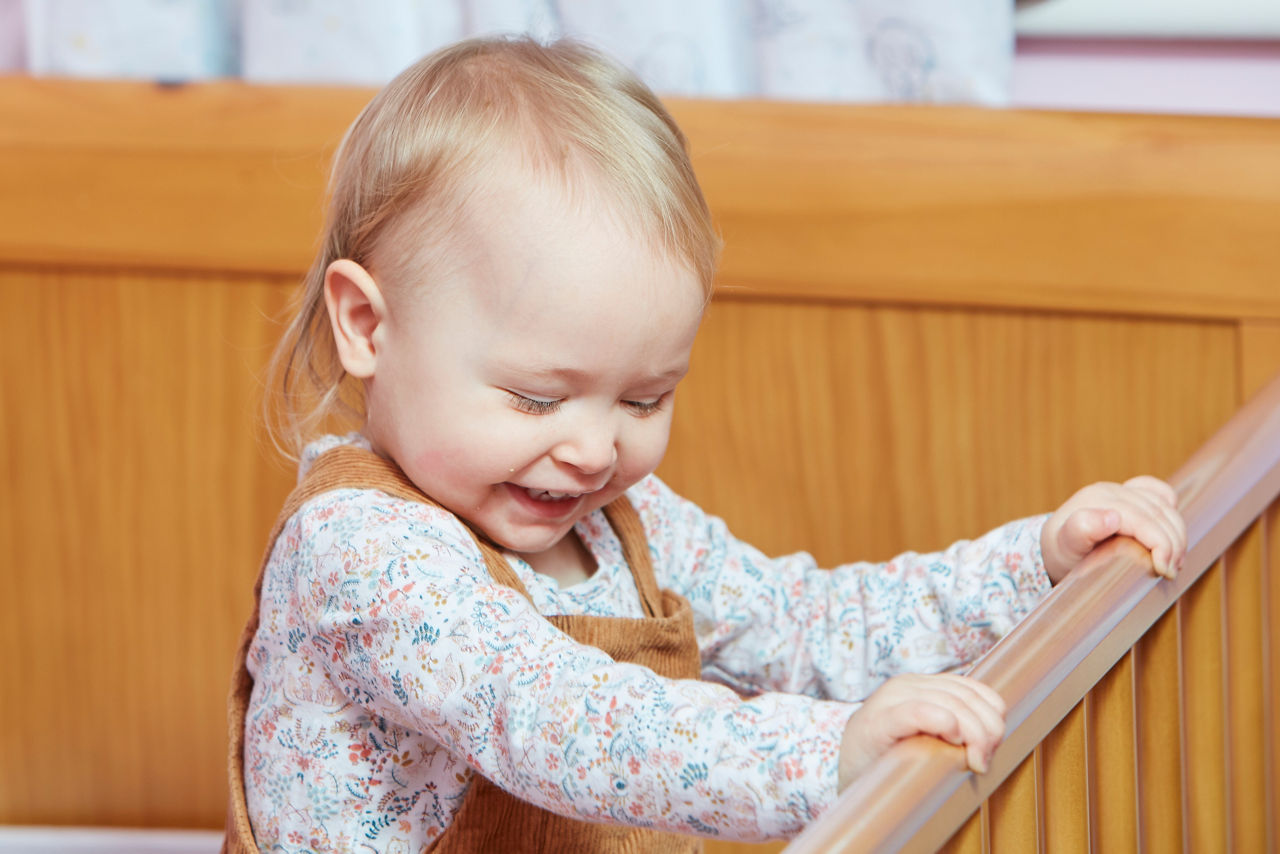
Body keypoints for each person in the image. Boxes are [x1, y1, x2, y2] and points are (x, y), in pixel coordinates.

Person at [222, 35, 1187, 854]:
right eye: (533, 398)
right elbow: (559, 721)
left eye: (645, 398)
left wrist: (1034, 568)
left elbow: (806, 623)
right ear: (366, 325)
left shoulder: (618, 528)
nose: (593, 451)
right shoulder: (361, 552)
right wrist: (828, 755)